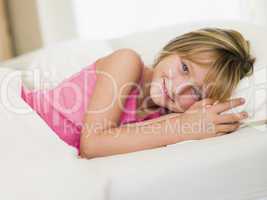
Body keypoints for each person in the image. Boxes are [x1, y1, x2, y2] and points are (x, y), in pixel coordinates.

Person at [21, 28, 255, 159]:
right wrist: (184, 124)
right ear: (173, 49)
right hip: (23, 118)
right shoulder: (127, 62)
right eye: (184, 67)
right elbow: (92, 144)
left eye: (194, 92)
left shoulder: (162, 119)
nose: (177, 87)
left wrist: (190, 122)